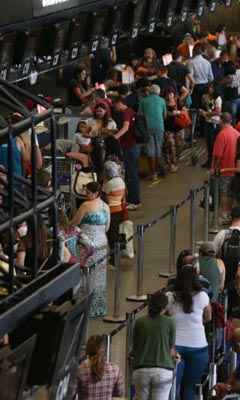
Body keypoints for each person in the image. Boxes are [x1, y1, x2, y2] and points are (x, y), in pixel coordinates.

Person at [167, 266, 211, 400]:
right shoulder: (203, 296)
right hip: (199, 347)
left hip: (175, 347)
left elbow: (163, 318)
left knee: (173, 387)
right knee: (189, 389)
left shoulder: (170, 297)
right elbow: (208, 317)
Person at [70, 182, 110, 318]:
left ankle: (84, 308)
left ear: (95, 193)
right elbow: (107, 227)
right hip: (102, 244)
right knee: (99, 276)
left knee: (85, 275)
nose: (86, 195)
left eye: (88, 192)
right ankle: (98, 308)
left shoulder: (85, 206)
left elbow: (74, 223)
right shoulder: (105, 206)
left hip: (87, 245)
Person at [132, 292, 177, 400]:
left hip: (141, 370)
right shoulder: (170, 322)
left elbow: (136, 347)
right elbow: (171, 349)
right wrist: (176, 356)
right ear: (165, 306)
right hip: (163, 371)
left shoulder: (139, 322)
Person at [112, 96, 141, 209]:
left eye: (115, 104)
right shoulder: (131, 111)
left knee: (131, 174)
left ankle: (134, 201)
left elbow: (125, 128)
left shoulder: (126, 113)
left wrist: (114, 138)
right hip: (132, 146)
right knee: (131, 173)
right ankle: (132, 200)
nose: (114, 107)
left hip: (129, 147)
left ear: (120, 103)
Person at [212, 112, 240, 224]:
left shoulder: (222, 134)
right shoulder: (237, 134)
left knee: (224, 193)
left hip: (224, 169)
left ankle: (225, 215)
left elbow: (218, 155)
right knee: (231, 193)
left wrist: (214, 169)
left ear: (221, 121)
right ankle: (230, 214)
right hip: (236, 169)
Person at [76, 335, 124, 400]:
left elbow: (71, 394)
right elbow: (120, 393)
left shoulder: (79, 370)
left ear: (87, 351)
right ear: (104, 351)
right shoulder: (115, 370)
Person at [138, 84, 167, 181]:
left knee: (150, 151)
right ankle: (160, 170)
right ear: (158, 92)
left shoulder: (143, 101)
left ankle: (153, 173)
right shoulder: (162, 100)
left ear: (149, 91)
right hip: (160, 127)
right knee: (158, 149)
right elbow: (165, 115)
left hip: (147, 128)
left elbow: (140, 116)